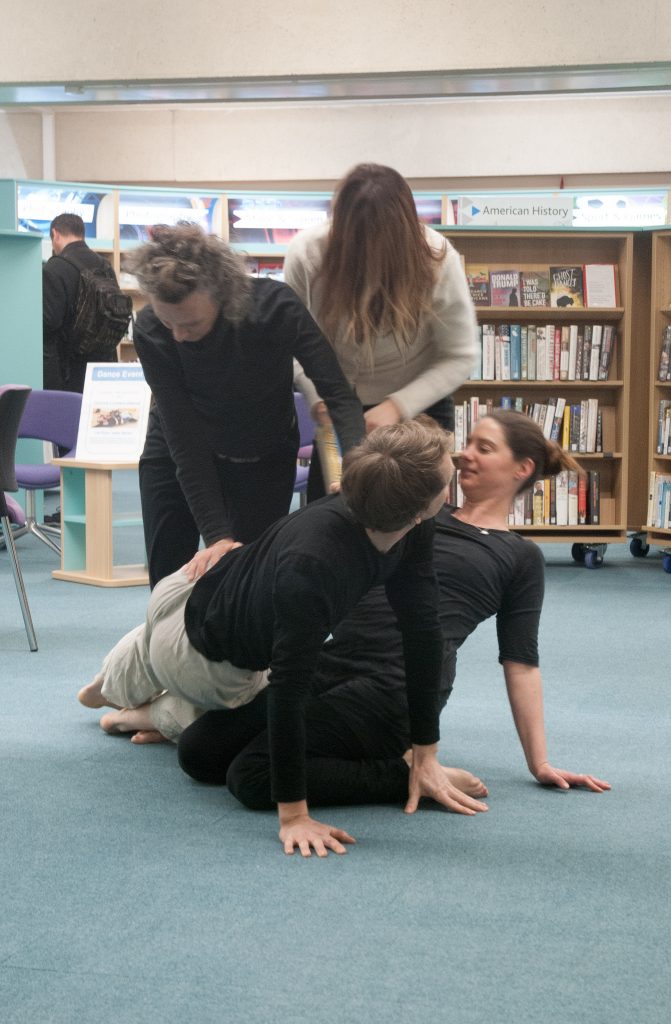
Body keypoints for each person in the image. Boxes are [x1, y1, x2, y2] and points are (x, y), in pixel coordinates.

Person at [78, 418, 484, 857]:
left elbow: (422, 628)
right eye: (449, 473)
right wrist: (295, 815)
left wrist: (426, 752)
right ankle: (145, 709)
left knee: (195, 749)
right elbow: (288, 693)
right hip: (197, 657)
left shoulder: (403, 518)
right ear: (420, 507)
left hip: (192, 593)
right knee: (187, 692)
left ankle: (120, 703)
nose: (458, 468)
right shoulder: (315, 568)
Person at [174, 410, 610, 811]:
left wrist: (539, 762)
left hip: (397, 688)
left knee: (252, 776)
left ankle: (404, 774)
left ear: (523, 468)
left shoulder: (518, 556)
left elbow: (521, 663)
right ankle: (388, 760)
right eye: (468, 442)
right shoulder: (413, 509)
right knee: (198, 753)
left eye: (484, 447)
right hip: (337, 659)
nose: (465, 455)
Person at [124, 222, 365, 588]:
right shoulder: (151, 330)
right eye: (167, 320)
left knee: (248, 582)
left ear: (222, 295)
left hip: (262, 454)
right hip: (179, 452)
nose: (178, 336)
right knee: (171, 582)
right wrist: (217, 534)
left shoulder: (275, 309)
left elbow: (337, 393)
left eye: (189, 323)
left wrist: (358, 466)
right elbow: (184, 438)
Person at [284, 162, 478, 499]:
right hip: (336, 404)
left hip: (417, 405)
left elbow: (459, 356)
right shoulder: (307, 254)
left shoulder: (438, 259)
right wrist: (318, 398)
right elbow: (290, 344)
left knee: (417, 518)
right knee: (331, 512)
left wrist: (397, 407)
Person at [42, 213, 119, 393]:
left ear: (55, 234)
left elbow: (49, 322)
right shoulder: (105, 266)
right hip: (104, 366)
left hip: (69, 371)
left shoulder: (54, 268)